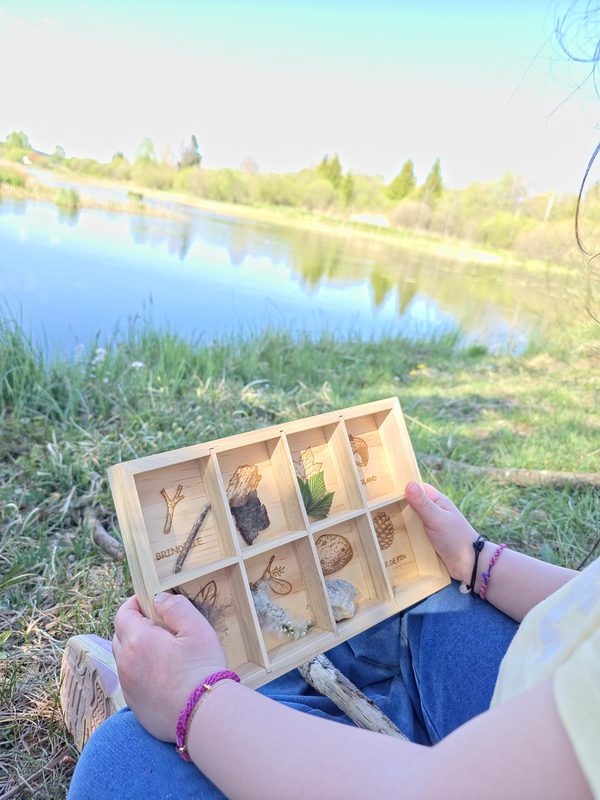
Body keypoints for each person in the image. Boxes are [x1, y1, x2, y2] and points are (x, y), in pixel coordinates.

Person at [64, 479, 599, 799]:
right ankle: (218, 703)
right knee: (406, 597)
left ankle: (157, 701)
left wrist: (195, 704)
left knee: (123, 762)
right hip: (536, 716)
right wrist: (480, 561)